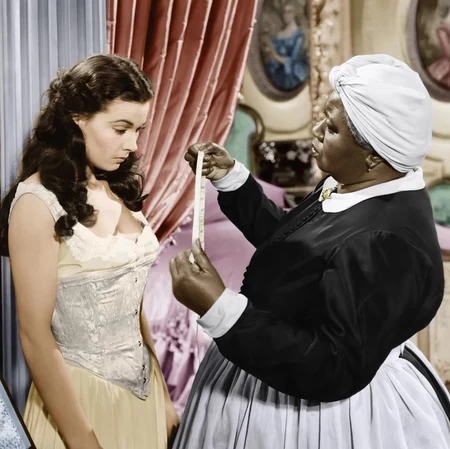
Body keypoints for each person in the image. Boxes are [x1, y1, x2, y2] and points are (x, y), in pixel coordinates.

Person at [169, 54, 450, 448]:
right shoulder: (358, 181)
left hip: (314, 414)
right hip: (273, 363)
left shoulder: (381, 243)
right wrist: (232, 179)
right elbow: (297, 247)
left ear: (372, 155)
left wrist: (220, 309)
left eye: (331, 128)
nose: (315, 132)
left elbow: (334, 367)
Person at [0, 54, 179, 449]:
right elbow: (34, 336)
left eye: (139, 130)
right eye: (121, 129)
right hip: (80, 404)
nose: (132, 145)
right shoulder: (36, 203)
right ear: (78, 117)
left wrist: (164, 398)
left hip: (144, 397)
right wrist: (82, 440)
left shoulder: (118, 187)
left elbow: (132, 305)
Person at [262, 2, 309, 90]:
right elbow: (270, 57)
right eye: (284, 12)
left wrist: (275, 55)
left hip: (291, 74)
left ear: (295, 13)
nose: (286, 15)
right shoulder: (278, 35)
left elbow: (293, 60)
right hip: (277, 74)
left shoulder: (299, 35)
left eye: (289, 11)